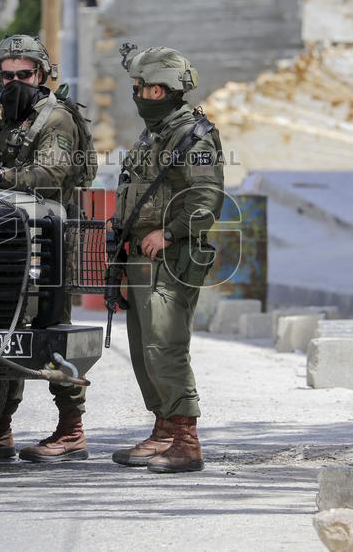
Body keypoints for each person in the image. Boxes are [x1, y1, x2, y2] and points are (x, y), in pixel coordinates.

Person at [0, 35, 96, 463]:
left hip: (48, 240)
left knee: (49, 328)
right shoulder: (1, 117)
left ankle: (72, 429)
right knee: (0, 328)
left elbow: (49, 174)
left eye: (25, 75)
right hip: (1, 237)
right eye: (7, 75)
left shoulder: (57, 119)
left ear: (43, 74)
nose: (16, 82)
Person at [108, 47, 224, 473]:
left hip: (171, 258)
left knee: (167, 346)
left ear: (160, 89)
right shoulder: (156, 133)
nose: (136, 94)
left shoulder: (193, 136)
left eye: (139, 87)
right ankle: (163, 431)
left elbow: (207, 197)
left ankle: (186, 441)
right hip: (141, 257)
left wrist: (170, 232)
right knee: (145, 349)